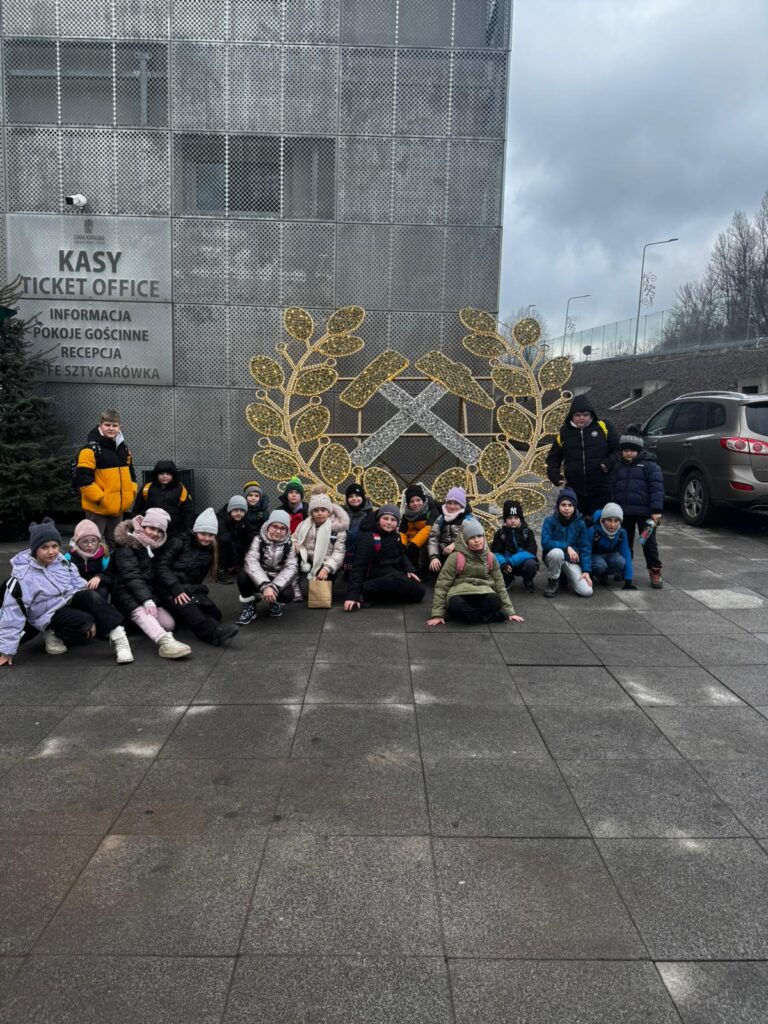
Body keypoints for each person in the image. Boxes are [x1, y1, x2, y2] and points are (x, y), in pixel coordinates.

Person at [0, 518, 133, 665]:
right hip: (45, 615)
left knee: (91, 596)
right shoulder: (23, 576)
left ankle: (120, 640)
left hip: (64, 602)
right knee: (84, 621)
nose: (51, 552)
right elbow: (12, 613)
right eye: (44, 547)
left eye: (55, 546)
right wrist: (7, 651)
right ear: (34, 549)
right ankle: (51, 632)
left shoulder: (62, 561)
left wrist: (97, 610)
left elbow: (78, 584)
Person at [112, 508, 192, 659]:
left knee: (169, 624)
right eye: (151, 528)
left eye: (160, 531)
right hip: (125, 592)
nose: (155, 533)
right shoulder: (127, 545)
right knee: (142, 613)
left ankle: (136, 623)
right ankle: (165, 643)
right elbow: (131, 576)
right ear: (143, 525)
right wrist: (146, 600)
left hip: (145, 592)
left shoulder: (153, 546)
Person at [155, 508, 238, 646]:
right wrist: (175, 587)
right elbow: (161, 567)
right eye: (203, 534)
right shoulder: (179, 541)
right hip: (168, 587)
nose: (207, 538)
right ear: (196, 531)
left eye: (211, 535)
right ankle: (212, 634)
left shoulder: (210, 551)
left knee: (215, 614)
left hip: (188, 587)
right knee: (187, 606)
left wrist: (198, 592)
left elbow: (197, 579)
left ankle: (185, 615)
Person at [427, 519, 525, 626]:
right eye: (472, 537)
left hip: (483, 591)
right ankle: (486, 617)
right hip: (460, 592)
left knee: (495, 600)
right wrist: (438, 614)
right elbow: (442, 585)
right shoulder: (455, 557)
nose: (477, 540)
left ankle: (470, 616)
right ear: (465, 540)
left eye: (479, 536)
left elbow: (500, 585)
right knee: (455, 604)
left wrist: (510, 612)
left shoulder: (490, 557)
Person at [546, 396, 619, 519]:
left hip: (601, 489)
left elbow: (619, 449)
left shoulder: (603, 427)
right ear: (571, 416)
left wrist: (608, 462)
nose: (581, 418)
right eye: (577, 415)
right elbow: (553, 458)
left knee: (598, 523)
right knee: (575, 524)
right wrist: (554, 476)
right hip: (575, 490)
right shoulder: (564, 432)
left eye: (585, 415)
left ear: (591, 415)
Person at [74, 409, 137, 547]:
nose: (111, 428)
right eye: (107, 425)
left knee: (117, 545)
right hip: (98, 509)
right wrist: (101, 499)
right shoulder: (90, 449)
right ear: (100, 425)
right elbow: (83, 480)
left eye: (115, 425)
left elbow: (131, 473)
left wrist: (131, 491)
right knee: (91, 544)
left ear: (120, 427)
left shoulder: (123, 449)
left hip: (118, 508)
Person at [610, 430, 665, 588]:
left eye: (632, 450)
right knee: (624, 543)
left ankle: (655, 571)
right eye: (625, 450)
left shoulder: (649, 466)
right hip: (624, 512)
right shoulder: (618, 466)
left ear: (639, 451)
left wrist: (656, 510)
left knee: (649, 543)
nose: (628, 453)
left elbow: (657, 488)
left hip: (645, 513)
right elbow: (612, 487)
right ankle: (624, 568)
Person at [344, 504, 425, 611]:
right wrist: (352, 595)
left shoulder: (395, 535)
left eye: (393, 520)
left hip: (391, 572)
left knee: (419, 591)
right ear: (378, 519)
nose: (389, 522)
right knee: (399, 582)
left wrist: (410, 569)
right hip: (374, 573)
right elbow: (358, 567)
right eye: (385, 518)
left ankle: (378, 594)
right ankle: (364, 589)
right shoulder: (369, 537)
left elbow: (401, 554)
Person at [236, 509, 298, 625]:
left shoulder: (289, 545)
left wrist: (274, 586)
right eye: (275, 526)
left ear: (287, 530)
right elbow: (251, 562)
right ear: (268, 526)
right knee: (242, 576)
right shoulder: (258, 540)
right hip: (259, 577)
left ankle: (274, 602)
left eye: (282, 528)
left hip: (276, 578)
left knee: (288, 595)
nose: (278, 531)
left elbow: (291, 568)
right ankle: (250, 606)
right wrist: (265, 585)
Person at [293, 488, 349, 600]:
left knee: (320, 595)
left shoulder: (337, 528)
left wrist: (327, 568)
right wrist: (295, 544)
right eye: (316, 510)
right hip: (307, 559)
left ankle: (322, 581)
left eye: (323, 510)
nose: (319, 513)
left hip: (326, 562)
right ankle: (295, 586)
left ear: (329, 512)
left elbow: (339, 552)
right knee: (290, 555)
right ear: (311, 513)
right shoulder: (304, 525)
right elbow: (293, 538)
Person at [541, 488, 593, 598]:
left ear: (575, 507)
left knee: (587, 591)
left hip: (571, 561)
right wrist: (566, 547)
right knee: (557, 552)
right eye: (563, 505)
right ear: (558, 506)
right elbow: (545, 542)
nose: (566, 508)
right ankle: (553, 581)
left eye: (570, 505)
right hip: (553, 558)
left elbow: (585, 547)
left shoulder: (580, 523)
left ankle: (563, 575)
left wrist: (586, 570)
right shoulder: (549, 521)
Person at [133, 460, 194, 536]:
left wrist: (185, 531)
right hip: (151, 530)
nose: (164, 476)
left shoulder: (181, 489)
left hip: (173, 531)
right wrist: (136, 526)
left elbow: (188, 512)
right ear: (156, 475)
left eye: (168, 474)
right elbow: (137, 508)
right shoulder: (147, 488)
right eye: (161, 473)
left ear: (173, 475)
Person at [490, 500, 539, 592]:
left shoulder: (528, 532)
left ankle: (528, 579)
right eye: (509, 518)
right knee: (494, 562)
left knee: (531, 564)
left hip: (521, 562)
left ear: (520, 518)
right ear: (505, 519)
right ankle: (508, 578)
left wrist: (513, 561)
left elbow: (531, 551)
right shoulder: (500, 533)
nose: (513, 520)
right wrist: (503, 563)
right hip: (506, 564)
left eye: (516, 517)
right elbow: (496, 552)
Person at [589, 503, 636, 590]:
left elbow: (626, 553)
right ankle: (593, 573)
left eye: (616, 521)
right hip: (594, 556)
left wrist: (628, 580)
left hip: (609, 554)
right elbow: (585, 551)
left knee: (620, 562)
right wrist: (586, 571)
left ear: (620, 521)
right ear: (603, 520)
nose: (613, 525)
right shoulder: (593, 530)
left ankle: (603, 574)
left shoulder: (621, 532)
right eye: (609, 520)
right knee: (600, 565)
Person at [428, 486, 474, 575]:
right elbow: (433, 537)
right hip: (444, 554)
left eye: (456, 503)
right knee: (434, 571)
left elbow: (472, 537)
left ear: (462, 504)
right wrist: (434, 557)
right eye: (449, 503)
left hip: (464, 554)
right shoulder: (441, 518)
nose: (452, 506)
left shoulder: (468, 519)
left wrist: (456, 544)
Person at [64, 519, 112, 600]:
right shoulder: (68, 557)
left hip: (96, 587)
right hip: (76, 588)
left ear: (98, 541)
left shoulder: (104, 555)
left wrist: (100, 577)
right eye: (85, 542)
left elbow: (110, 575)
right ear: (77, 543)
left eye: (94, 541)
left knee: (103, 591)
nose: (90, 545)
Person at [216, 495, 255, 583]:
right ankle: (221, 569)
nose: (239, 513)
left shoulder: (244, 520)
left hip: (236, 542)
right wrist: (237, 529)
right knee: (226, 541)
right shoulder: (221, 518)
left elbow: (249, 535)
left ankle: (240, 566)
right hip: (223, 544)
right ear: (230, 510)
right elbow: (223, 536)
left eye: (242, 511)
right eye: (236, 510)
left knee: (250, 542)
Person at [399, 484, 438, 575]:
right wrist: (403, 545)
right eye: (411, 501)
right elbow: (402, 532)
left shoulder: (432, 511)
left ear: (423, 500)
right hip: (411, 544)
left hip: (425, 543)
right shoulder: (406, 515)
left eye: (418, 500)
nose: (415, 503)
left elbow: (429, 528)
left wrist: (414, 545)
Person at [342, 482, 372, 577]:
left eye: (357, 496)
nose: (354, 498)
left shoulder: (369, 514)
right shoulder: (342, 513)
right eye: (351, 496)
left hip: (361, 550)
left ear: (362, 497)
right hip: (343, 547)